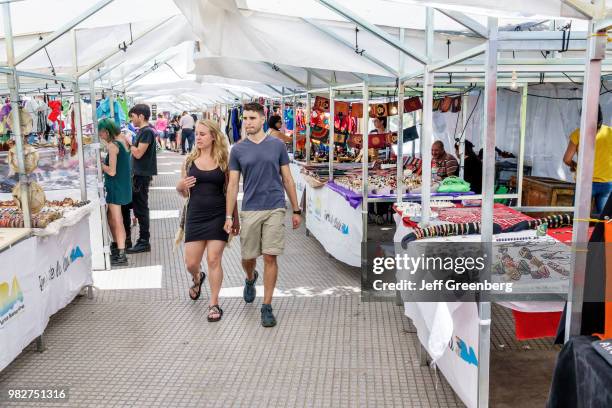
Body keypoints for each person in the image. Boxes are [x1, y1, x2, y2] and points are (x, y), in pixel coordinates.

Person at [225, 102, 302, 328]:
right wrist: (229, 216)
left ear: (261, 119)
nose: (247, 123)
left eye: (251, 118)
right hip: (250, 208)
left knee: (270, 255)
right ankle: (250, 278)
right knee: (248, 257)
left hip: (275, 206)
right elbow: (232, 185)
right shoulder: (237, 150)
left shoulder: (277, 145)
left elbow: (287, 179)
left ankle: (267, 306)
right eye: (244, 119)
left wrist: (296, 209)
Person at [176, 120, 239, 322]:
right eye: (197, 134)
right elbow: (184, 193)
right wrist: (180, 186)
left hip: (218, 215)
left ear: (213, 136)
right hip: (195, 215)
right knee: (191, 263)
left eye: (203, 134)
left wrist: (233, 217)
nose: (198, 137)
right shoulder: (188, 160)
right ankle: (197, 278)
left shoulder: (224, 160)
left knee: (214, 259)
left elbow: (231, 191)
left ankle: (214, 303)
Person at [563, 106, 612, 215]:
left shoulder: (578, 133)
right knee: (605, 220)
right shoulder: (610, 132)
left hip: (585, 183)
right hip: (607, 183)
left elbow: (567, 159)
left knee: (578, 218)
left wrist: (573, 165)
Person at [122, 104, 157, 253]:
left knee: (141, 208)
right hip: (137, 175)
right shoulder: (143, 131)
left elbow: (138, 154)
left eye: (133, 116)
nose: (132, 119)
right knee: (135, 206)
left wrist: (129, 141)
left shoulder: (147, 132)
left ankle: (144, 241)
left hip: (141, 176)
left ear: (141, 116)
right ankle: (134, 239)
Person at [99, 118, 132, 266]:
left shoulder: (113, 146)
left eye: (101, 132)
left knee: (117, 221)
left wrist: (100, 164)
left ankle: (121, 254)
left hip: (115, 187)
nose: (100, 135)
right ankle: (117, 248)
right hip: (122, 186)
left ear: (106, 131)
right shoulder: (122, 141)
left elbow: (111, 171)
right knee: (112, 218)